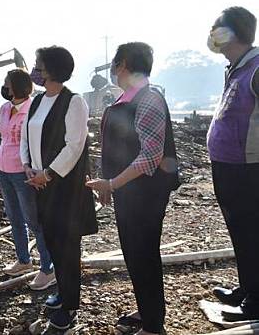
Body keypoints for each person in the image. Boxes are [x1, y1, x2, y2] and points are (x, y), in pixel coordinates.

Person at [86, 42, 180, 335]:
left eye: (115, 63)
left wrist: (112, 183)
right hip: (128, 190)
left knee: (143, 253)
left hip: (145, 193)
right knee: (134, 253)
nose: (113, 69)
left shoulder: (149, 99)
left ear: (123, 63)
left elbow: (150, 156)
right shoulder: (125, 98)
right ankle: (148, 310)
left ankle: (154, 326)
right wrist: (110, 184)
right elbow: (118, 146)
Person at [21, 46, 98, 332]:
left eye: (39, 66)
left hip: (64, 188)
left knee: (67, 248)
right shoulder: (38, 101)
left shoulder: (74, 102)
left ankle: (70, 306)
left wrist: (49, 174)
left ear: (52, 70)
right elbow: (26, 136)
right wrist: (27, 165)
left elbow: (75, 145)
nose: (35, 71)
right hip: (40, 184)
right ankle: (63, 294)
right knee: (53, 242)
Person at [205, 7, 259, 322]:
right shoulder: (236, 68)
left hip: (248, 168)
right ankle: (248, 286)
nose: (212, 34)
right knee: (239, 231)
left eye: (217, 28)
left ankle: (256, 302)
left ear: (231, 32)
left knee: (252, 231)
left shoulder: (255, 68)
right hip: (227, 166)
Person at [0, 68, 54, 289]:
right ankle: (23, 260)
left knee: (35, 221)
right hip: (4, 169)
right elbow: (4, 137)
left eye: (7, 83)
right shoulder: (4, 109)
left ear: (17, 86)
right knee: (14, 218)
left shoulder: (33, 109)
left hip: (23, 172)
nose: (5, 87)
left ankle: (48, 268)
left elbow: (34, 143)